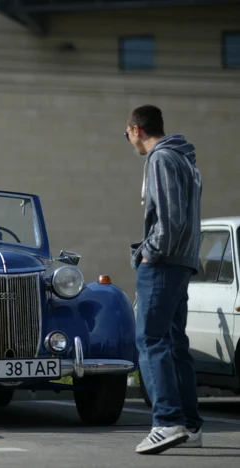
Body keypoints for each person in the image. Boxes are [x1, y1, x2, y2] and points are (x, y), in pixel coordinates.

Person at [126, 105, 203, 455]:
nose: (128, 140)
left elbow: (170, 221)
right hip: (183, 262)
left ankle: (166, 421)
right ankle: (189, 423)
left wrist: (148, 253)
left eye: (127, 133)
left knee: (150, 340)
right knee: (174, 343)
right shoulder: (185, 160)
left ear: (137, 129)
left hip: (164, 262)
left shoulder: (160, 158)